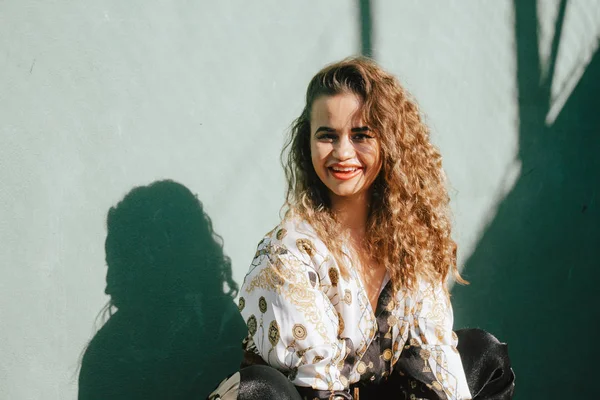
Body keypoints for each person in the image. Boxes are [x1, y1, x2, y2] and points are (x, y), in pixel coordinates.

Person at [233, 58, 514, 400]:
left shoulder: (409, 241)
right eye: (327, 136)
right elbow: (318, 389)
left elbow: (433, 362)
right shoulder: (288, 252)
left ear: (389, 144)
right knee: (262, 390)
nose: (342, 152)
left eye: (360, 134)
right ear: (307, 144)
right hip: (310, 396)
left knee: (482, 353)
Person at [78, 180, 246, 400]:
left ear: (157, 264)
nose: (109, 286)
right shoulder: (106, 360)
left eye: (121, 266)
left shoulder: (234, 338)